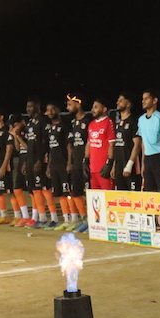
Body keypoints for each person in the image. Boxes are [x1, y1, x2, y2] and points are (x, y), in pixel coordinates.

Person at [137, 88, 160, 192]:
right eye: (143, 99)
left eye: (146, 99)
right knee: (149, 192)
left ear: (154, 100)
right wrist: (143, 163)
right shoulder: (141, 120)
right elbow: (143, 143)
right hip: (148, 159)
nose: (143, 101)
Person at [23, 97, 51, 228]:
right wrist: (26, 161)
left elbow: (45, 142)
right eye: (27, 107)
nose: (28, 109)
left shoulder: (43, 120)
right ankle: (37, 217)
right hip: (30, 159)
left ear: (37, 106)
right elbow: (30, 144)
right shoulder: (30, 123)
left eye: (30, 106)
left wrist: (40, 160)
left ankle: (48, 218)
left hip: (39, 160)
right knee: (34, 190)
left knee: (43, 189)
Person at [45, 102, 73, 228]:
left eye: (53, 109)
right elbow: (50, 149)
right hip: (54, 165)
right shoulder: (50, 128)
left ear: (58, 110)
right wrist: (49, 166)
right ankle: (66, 220)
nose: (50, 112)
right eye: (48, 110)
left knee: (68, 193)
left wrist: (69, 162)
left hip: (64, 164)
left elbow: (69, 146)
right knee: (59, 193)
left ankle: (74, 219)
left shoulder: (64, 126)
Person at [66, 93, 91, 232]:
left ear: (78, 104)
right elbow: (70, 144)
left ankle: (92, 221)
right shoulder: (71, 122)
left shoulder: (88, 121)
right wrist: (70, 162)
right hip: (76, 163)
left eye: (70, 105)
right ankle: (84, 219)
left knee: (88, 193)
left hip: (87, 162)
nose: (68, 108)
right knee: (75, 192)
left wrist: (87, 159)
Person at [113, 93, 143, 191]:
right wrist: (114, 166)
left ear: (128, 104)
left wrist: (129, 165)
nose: (118, 102)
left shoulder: (133, 121)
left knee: (133, 196)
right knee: (120, 196)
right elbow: (117, 146)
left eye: (121, 100)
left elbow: (137, 144)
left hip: (131, 167)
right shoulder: (117, 123)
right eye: (118, 100)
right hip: (119, 167)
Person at [88, 97, 116, 191]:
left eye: (96, 107)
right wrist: (86, 160)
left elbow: (112, 144)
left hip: (103, 169)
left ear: (104, 109)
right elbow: (89, 143)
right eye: (93, 107)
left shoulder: (109, 122)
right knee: (95, 198)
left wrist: (109, 163)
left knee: (107, 196)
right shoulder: (91, 124)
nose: (93, 110)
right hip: (93, 169)